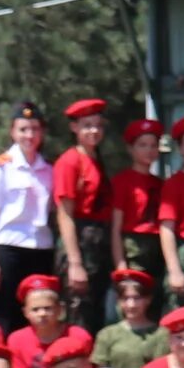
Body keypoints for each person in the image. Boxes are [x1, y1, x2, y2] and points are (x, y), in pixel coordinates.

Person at [0, 101, 58, 332]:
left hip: (41, 249)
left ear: (42, 132)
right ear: (12, 132)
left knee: (39, 316)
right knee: (5, 318)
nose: (29, 135)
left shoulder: (49, 170)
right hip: (9, 249)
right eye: (23, 129)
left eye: (34, 129)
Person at [54, 98, 116, 329]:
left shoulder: (96, 159)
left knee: (96, 312)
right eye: (87, 125)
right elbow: (65, 214)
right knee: (79, 313)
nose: (94, 131)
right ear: (74, 128)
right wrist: (75, 262)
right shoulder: (70, 162)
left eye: (98, 126)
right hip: (80, 242)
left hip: (98, 242)